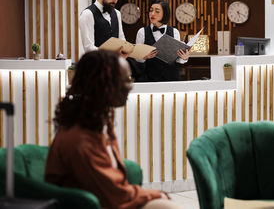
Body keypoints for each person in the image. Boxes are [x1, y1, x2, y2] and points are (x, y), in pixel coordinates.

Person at [45, 50, 181, 209]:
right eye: (125, 80)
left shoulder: (99, 122)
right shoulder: (80, 140)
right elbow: (115, 195)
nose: (130, 86)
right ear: (102, 83)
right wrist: (154, 194)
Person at [135, 0, 190, 82]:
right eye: (151, 10)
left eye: (157, 11)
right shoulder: (142, 32)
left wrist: (184, 58)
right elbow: (137, 58)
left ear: (165, 14)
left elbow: (177, 58)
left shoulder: (174, 32)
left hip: (172, 78)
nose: (152, 14)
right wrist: (144, 56)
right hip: (150, 79)